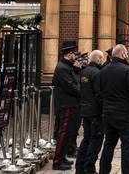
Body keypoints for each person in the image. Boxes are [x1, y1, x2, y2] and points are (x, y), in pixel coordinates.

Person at [98, 44, 129, 174]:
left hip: (108, 114)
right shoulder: (127, 70)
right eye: (127, 53)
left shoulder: (103, 70)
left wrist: (105, 107)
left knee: (108, 145)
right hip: (124, 114)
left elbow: (99, 92)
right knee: (127, 146)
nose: (128, 56)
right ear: (122, 54)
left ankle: (103, 171)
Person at [75, 50, 105, 174]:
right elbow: (99, 94)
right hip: (95, 113)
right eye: (102, 58)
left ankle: (79, 167)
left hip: (85, 111)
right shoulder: (97, 73)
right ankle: (89, 167)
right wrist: (103, 109)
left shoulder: (84, 72)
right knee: (95, 140)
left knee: (86, 139)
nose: (103, 60)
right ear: (98, 59)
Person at [53, 43, 81, 171]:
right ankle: (57, 161)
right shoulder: (62, 68)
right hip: (66, 104)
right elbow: (70, 86)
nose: (75, 56)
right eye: (73, 54)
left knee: (69, 133)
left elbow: (75, 81)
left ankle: (62, 157)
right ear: (67, 55)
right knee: (64, 133)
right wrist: (83, 93)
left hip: (71, 103)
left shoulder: (67, 67)